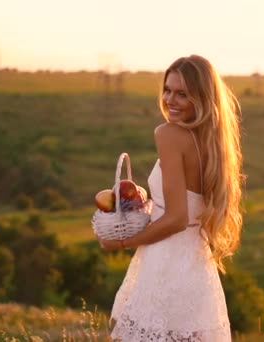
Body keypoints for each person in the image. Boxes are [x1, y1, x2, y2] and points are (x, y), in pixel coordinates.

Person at [98, 54, 243, 341]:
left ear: (201, 98)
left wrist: (122, 242)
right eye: (167, 90)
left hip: (167, 260)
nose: (170, 100)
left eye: (182, 94)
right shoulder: (213, 142)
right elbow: (185, 207)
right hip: (197, 264)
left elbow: (176, 218)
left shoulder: (169, 134)